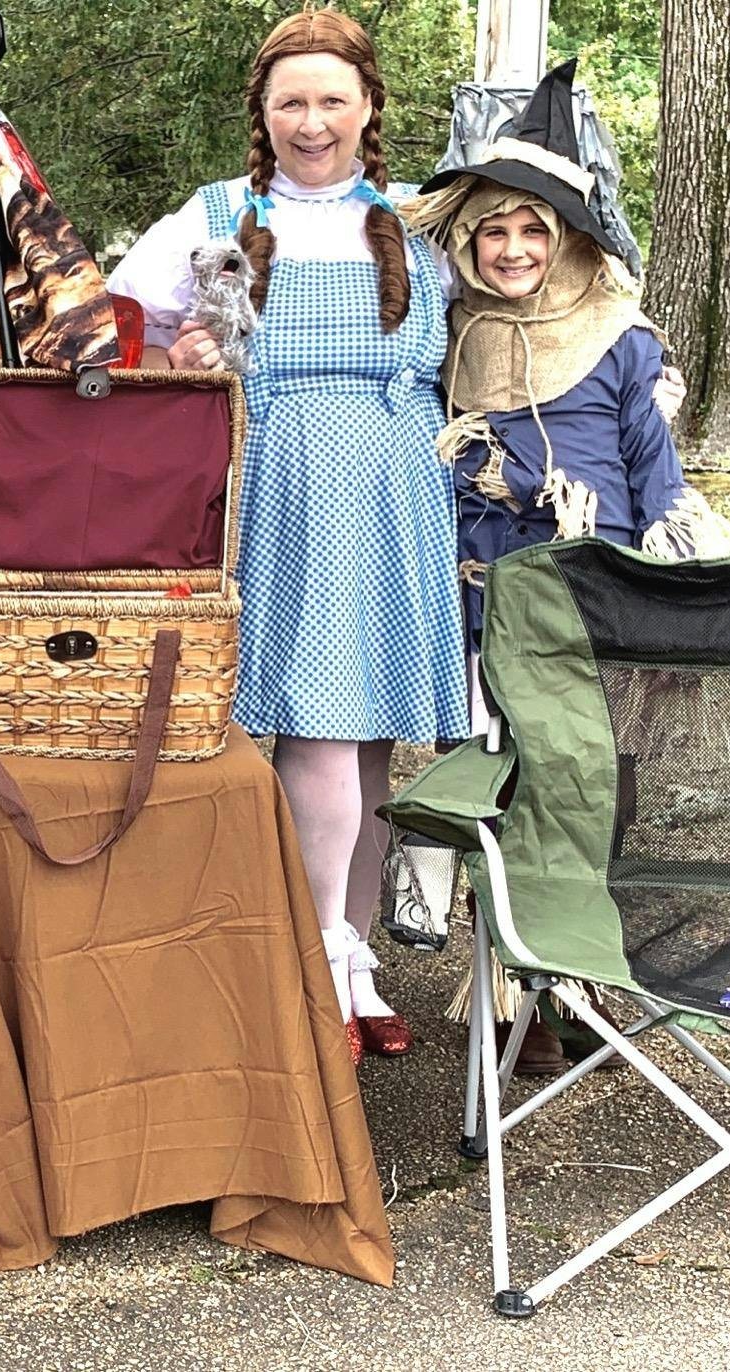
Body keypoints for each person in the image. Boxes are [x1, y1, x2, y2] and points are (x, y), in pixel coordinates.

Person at [108, 7, 468, 1065]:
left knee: (366, 744)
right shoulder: (216, 212)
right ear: (262, 116)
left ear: (366, 108)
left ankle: (349, 956)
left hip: (394, 481)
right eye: (290, 102)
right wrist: (180, 357)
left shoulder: (416, 220)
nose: (312, 121)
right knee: (314, 725)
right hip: (279, 475)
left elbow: (524, 300)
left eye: (331, 100)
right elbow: (120, 324)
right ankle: (309, 964)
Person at [403, 59, 730, 1073]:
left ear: (568, 240)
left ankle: (566, 982)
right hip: (474, 594)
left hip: (590, 599)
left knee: (581, 787)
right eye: (492, 230)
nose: (510, 248)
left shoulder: (618, 339)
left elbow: (654, 473)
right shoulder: (447, 334)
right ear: (466, 240)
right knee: (494, 781)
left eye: (532, 230)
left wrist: (648, 590)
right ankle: (505, 982)